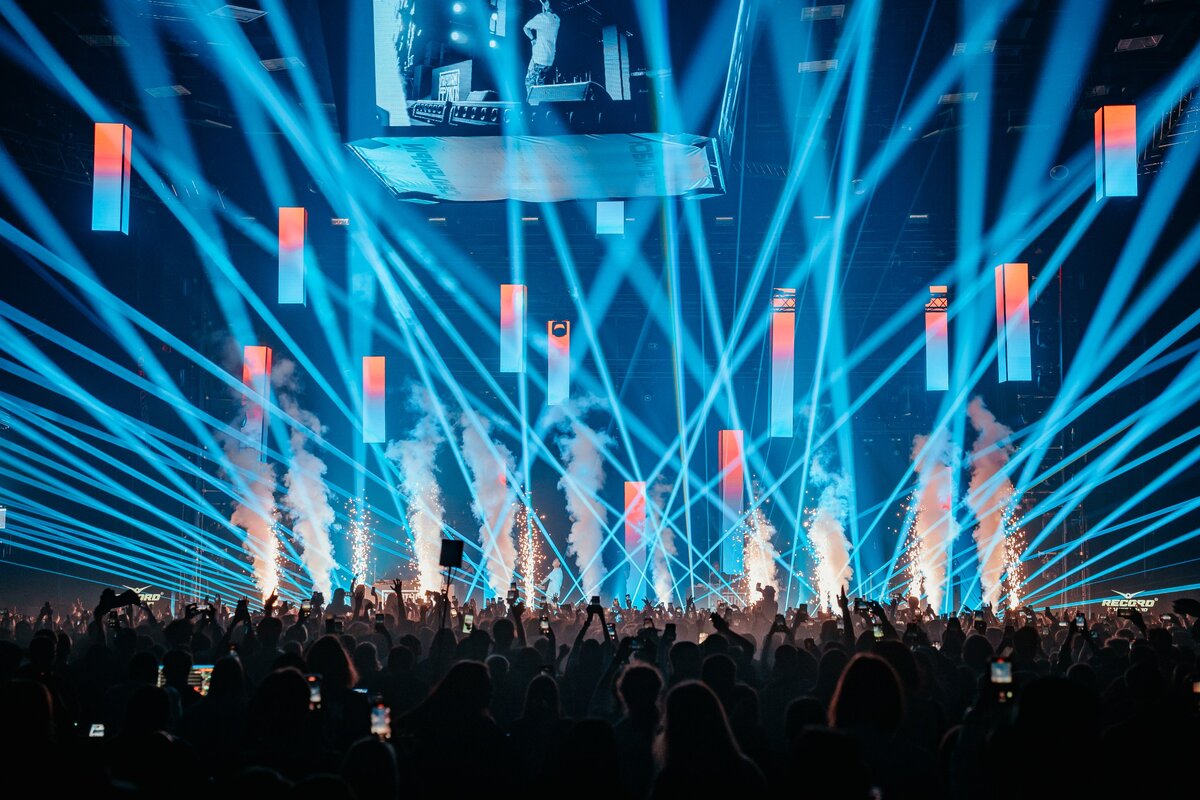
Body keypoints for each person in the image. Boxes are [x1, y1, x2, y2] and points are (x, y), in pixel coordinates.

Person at [523, 0, 560, 95]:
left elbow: (525, 28)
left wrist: (532, 39)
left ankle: (532, 105)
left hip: (539, 58)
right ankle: (541, 103)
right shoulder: (557, 19)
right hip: (550, 59)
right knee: (540, 82)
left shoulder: (541, 17)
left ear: (547, 4)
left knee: (529, 82)